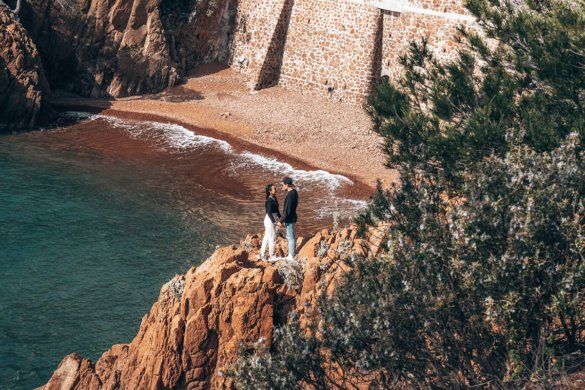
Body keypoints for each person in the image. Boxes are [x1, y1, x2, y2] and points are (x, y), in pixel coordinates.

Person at [259, 183, 281, 261]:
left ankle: (262, 254)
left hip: (272, 219)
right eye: (274, 189)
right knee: (272, 238)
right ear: (270, 191)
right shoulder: (268, 200)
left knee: (267, 237)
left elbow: (277, 210)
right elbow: (269, 212)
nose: (276, 190)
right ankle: (272, 256)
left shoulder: (274, 198)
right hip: (269, 220)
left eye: (275, 188)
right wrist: (274, 222)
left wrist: (281, 218)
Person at [278, 176, 298, 261]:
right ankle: (292, 254)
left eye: (283, 184)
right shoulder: (294, 192)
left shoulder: (290, 195)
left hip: (289, 219)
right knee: (291, 236)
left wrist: (281, 221)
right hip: (292, 217)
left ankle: (291, 255)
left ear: (287, 185)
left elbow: (287, 210)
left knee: (290, 237)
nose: (282, 186)